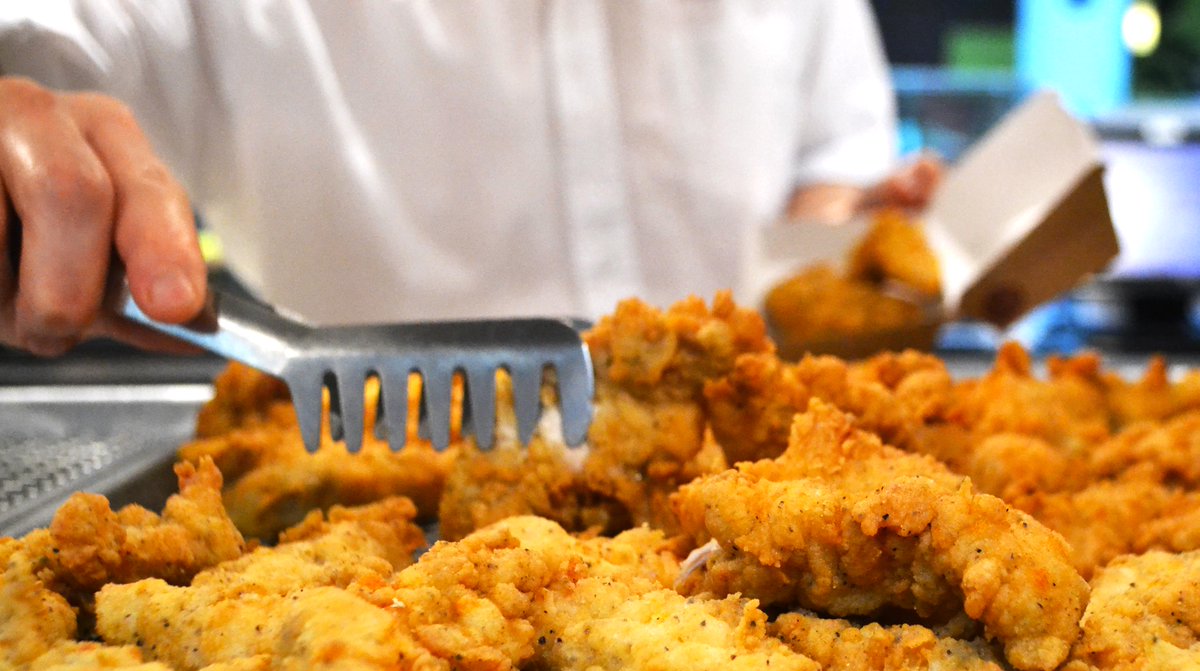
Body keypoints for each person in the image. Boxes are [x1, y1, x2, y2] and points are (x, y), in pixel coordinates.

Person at [0, 1, 940, 357]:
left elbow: (824, 180)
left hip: (735, 472)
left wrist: (853, 244)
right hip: (378, 518)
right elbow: (38, 59)